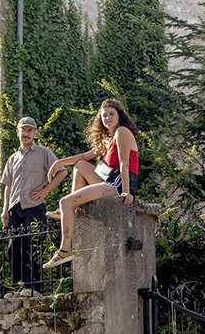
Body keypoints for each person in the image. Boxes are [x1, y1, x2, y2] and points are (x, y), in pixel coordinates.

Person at [42, 99, 140, 268]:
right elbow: (84, 157)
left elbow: (124, 162)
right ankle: (74, 206)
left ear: (119, 116)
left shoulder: (122, 132)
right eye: (104, 116)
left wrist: (126, 191)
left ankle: (65, 251)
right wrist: (59, 163)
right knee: (80, 166)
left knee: (64, 201)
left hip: (119, 184)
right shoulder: (108, 140)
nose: (108, 118)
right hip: (109, 181)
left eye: (111, 114)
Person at [0, 116, 67, 296]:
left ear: (34, 133)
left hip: (35, 205)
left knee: (34, 245)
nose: (26, 133)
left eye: (30, 130)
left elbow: (62, 172)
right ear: (18, 133)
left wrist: (45, 192)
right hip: (15, 206)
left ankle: (34, 288)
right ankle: (16, 288)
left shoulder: (44, 153)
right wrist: (5, 208)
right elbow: (8, 185)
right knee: (14, 247)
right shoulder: (12, 158)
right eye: (24, 130)